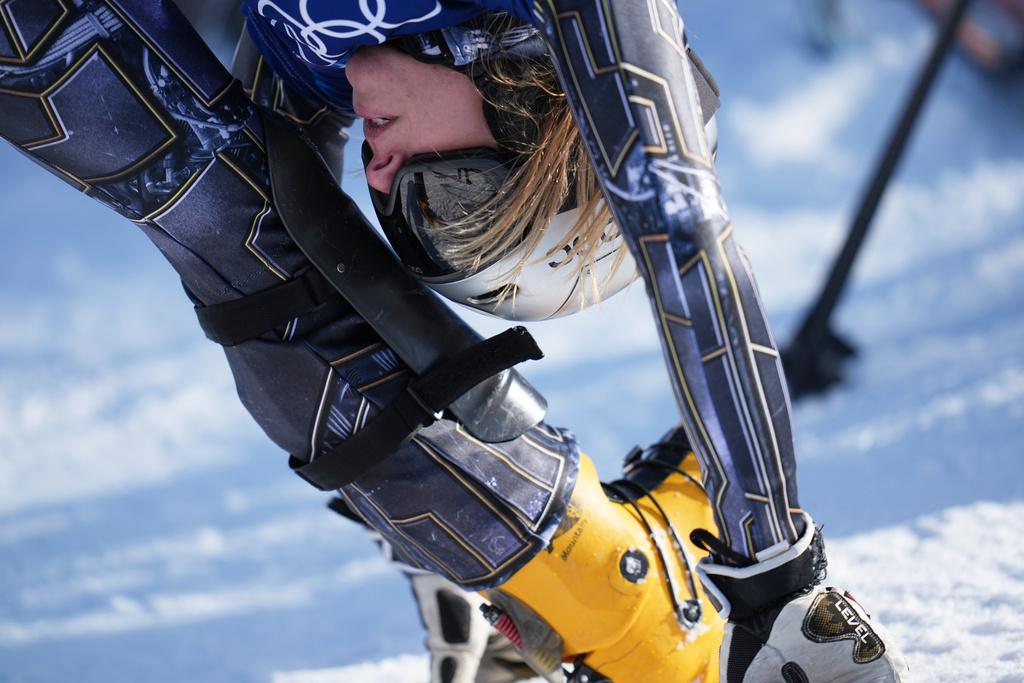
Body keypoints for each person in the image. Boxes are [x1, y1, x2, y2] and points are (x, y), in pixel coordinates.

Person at [0, 1, 910, 681]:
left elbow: (310, 279)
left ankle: (562, 561)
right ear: (542, 101)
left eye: (414, 222)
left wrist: (439, 545)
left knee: (251, 249)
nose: (386, 184)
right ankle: (620, 588)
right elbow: (680, 226)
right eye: (458, 202)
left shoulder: (316, 58)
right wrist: (782, 581)